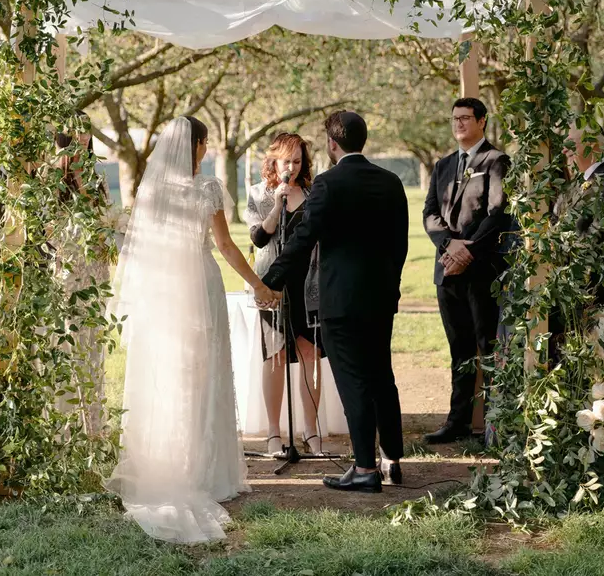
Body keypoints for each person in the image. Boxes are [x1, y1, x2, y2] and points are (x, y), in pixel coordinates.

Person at [105, 116, 276, 544]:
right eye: (204, 143)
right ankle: (206, 473)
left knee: (168, 373)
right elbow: (223, 244)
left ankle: (166, 462)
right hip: (201, 284)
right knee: (204, 375)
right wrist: (258, 284)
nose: (205, 150)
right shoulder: (207, 189)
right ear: (197, 146)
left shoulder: (153, 190)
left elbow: (141, 249)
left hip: (163, 291)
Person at [262, 111, 409, 493]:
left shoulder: (328, 184)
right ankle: (391, 459)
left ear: (332, 143)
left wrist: (271, 280)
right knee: (381, 376)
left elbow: (303, 238)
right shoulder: (391, 182)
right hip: (380, 299)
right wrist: (390, 288)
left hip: (341, 302)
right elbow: (400, 245)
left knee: (354, 382)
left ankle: (364, 468)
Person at [423, 97, 510, 444]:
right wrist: (448, 245)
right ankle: (457, 422)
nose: (458, 124)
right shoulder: (443, 164)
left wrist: (466, 250)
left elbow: (497, 213)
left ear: (482, 121)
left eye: (465, 118)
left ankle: (493, 426)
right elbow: (430, 212)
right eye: (454, 118)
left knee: (488, 347)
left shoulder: (497, 161)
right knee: (458, 349)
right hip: (447, 270)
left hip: (480, 271)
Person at [244, 132, 325, 457]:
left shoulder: (314, 192)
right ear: (273, 161)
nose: (290, 167)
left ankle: (311, 431)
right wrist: (276, 205)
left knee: (310, 355)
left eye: (296, 161)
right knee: (275, 355)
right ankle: (274, 434)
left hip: (309, 284)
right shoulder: (257, 194)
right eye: (285, 161)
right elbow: (258, 239)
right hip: (272, 285)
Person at [548, 123, 604, 359]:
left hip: (598, 296)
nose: (565, 150)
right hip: (567, 295)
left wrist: (557, 248)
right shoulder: (573, 185)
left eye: (570, 143)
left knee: (595, 371)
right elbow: (554, 224)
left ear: (593, 144)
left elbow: (597, 238)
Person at [52, 123, 113, 438]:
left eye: (86, 131)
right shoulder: (50, 179)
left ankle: (94, 425)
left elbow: (105, 222)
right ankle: (67, 425)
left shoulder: (96, 179)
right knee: (67, 344)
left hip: (95, 271)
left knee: (92, 345)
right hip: (66, 271)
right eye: (74, 132)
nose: (82, 137)